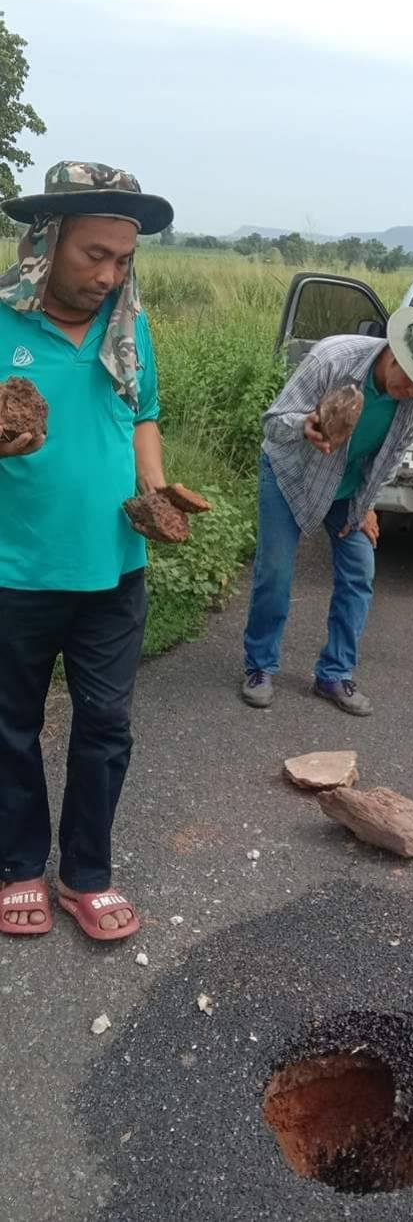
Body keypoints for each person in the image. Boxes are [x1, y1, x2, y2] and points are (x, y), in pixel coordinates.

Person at [0, 161, 173, 940]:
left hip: (113, 568)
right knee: (11, 723)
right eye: (94, 255)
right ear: (49, 240)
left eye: (123, 260)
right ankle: (18, 864)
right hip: (16, 568)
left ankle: (86, 875)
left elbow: (142, 414)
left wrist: (157, 492)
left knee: (106, 723)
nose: (109, 275)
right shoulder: (3, 322)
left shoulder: (128, 326)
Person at [242, 306, 413, 715]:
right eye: (411, 382)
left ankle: (334, 674)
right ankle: (259, 666)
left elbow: (393, 455)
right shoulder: (332, 359)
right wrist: (302, 426)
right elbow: (272, 422)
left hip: (347, 491)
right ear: (394, 356)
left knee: (360, 572)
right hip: (291, 474)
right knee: (275, 570)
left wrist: (365, 507)